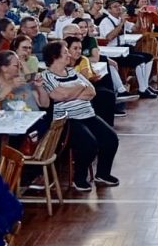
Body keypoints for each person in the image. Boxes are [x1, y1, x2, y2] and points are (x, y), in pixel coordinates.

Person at [39, 41, 120, 191]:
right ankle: (79, 178)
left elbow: (91, 92)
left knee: (111, 139)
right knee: (89, 144)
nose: (69, 55)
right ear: (54, 56)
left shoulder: (72, 72)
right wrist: (78, 88)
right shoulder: (46, 76)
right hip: (67, 119)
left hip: (87, 114)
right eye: (65, 53)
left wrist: (70, 92)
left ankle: (102, 174)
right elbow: (59, 95)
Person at [98, 0, 158, 99]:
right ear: (109, 10)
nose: (118, 8)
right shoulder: (106, 21)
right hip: (112, 52)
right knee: (139, 60)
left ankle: (145, 86)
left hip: (123, 49)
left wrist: (139, 17)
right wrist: (121, 23)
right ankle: (142, 90)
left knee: (149, 57)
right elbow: (109, 37)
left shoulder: (121, 19)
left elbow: (135, 28)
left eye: (119, 6)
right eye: (115, 7)